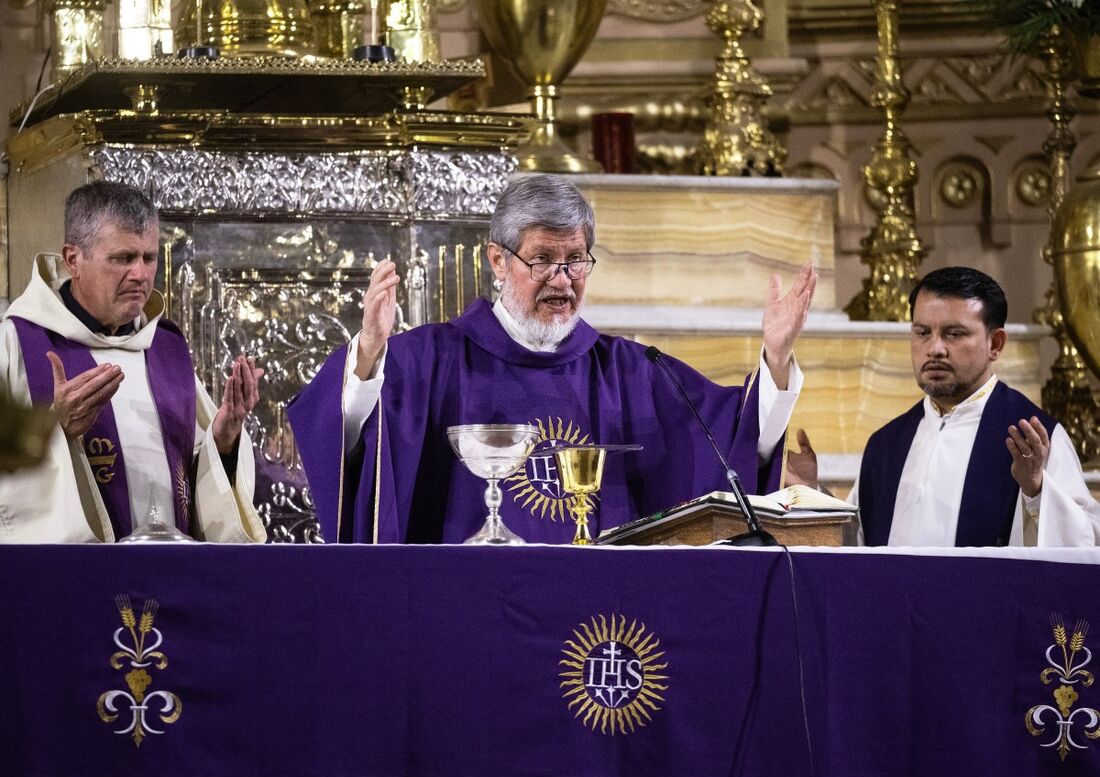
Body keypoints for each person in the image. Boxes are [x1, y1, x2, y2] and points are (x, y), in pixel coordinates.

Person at [290, 175, 817, 544]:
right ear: (497, 258)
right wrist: (366, 357)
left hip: (600, 618)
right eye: (541, 259)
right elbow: (346, 447)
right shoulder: (429, 360)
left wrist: (776, 355)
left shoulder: (633, 371)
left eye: (575, 260)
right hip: (465, 608)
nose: (562, 279)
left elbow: (731, 441)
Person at [0, 181, 267, 543]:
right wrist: (50, 431)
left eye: (149, 257)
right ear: (73, 259)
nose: (141, 274)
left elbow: (200, 487)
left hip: (169, 577)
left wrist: (224, 437)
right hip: (73, 583)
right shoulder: (17, 344)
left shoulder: (164, 349)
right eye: (123, 258)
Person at [787, 266, 1099, 546]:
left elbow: (1086, 542)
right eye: (922, 332)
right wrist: (815, 497)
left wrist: (1037, 489)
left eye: (954, 334)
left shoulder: (1032, 437)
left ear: (996, 344)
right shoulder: (887, 444)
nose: (935, 349)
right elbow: (861, 545)